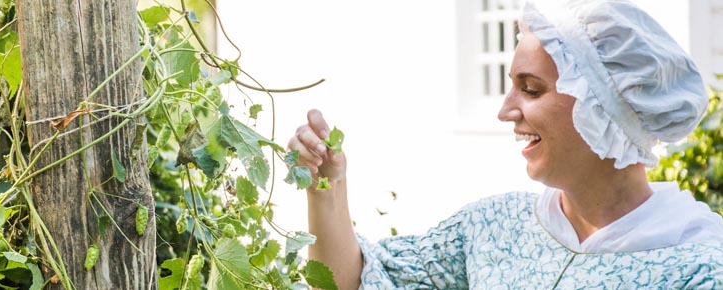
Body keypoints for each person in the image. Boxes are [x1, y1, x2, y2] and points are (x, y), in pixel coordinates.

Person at [286, 0, 723, 289]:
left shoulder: (696, 269)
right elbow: (354, 279)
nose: (505, 110)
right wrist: (327, 185)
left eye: (531, 90)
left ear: (605, 110)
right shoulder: (492, 228)